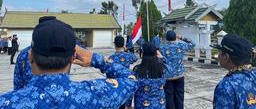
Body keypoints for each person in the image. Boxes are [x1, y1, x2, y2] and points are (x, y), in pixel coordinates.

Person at [0, 17, 137, 108]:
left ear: (30, 56)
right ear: (73, 57)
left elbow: (18, 86)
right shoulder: (95, 94)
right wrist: (95, 58)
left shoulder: (7, 103)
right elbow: (131, 79)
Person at [210, 34, 256, 109]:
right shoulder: (254, 74)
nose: (218, 55)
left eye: (220, 52)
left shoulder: (226, 86)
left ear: (226, 57)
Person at [160, 30, 195, 109]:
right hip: (179, 75)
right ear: (175, 37)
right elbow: (193, 44)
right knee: (179, 97)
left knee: (168, 97)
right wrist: (182, 38)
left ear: (166, 38)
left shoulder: (162, 47)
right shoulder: (181, 45)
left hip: (167, 76)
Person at [132, 42, 166, 109]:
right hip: (159, 104)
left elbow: (132, 89)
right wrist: (162, 57)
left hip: (142, 105)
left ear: (142, 54)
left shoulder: (137, 69)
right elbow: (171, 68)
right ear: (156, 53)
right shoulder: (162, 68)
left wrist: (128, 104)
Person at [109, 35, 138, 109]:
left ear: (115, 45)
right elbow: (135, 58)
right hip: (126, 85)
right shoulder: (128, 56)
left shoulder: (111, 58)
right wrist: (126, 50)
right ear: (124, 45)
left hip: (115, 87)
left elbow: (108, 74)